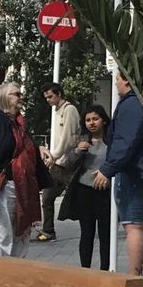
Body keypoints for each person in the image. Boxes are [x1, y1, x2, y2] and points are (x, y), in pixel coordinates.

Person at [94, 71, 143, 278]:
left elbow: (125, 141)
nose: (116, 84)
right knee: (142, 225)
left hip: (135, 172)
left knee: (133, 226)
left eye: (117, 79)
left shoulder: (131, 104)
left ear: (126, 80)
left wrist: (107, 169)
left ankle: (135, 277)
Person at [0, 81, 47, 258]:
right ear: (3, 98)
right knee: (2, 235)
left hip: (23, 187)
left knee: (21, 235)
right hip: (3, 187)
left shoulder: (20, 124)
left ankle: (15, 277)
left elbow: (26, 150)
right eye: (16, 94)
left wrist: (39, 150)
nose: (21, 98)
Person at [56, 104, 112, 270]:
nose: (91, 123)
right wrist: (77, 151)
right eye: (88, 120)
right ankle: (85, 269)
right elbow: (66, 165)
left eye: (95, 119)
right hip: (84, 191)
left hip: (105, 193)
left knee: (105, 235)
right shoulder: (80, 140)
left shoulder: (113, 141)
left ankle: (105, 269)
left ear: (104, 121)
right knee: (86, 233)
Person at [36, 81, 82, 242]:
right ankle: (48, 230)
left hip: (68, 162)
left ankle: (97, 222)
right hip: (57, 163)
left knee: (80, 195)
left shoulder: (69, 110)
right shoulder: (56, 112)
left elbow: (67, 139)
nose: (48, 100)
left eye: (50, 96)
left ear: (59, 94)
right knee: (47, 197)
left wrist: (54, 155)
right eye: (46, 97)